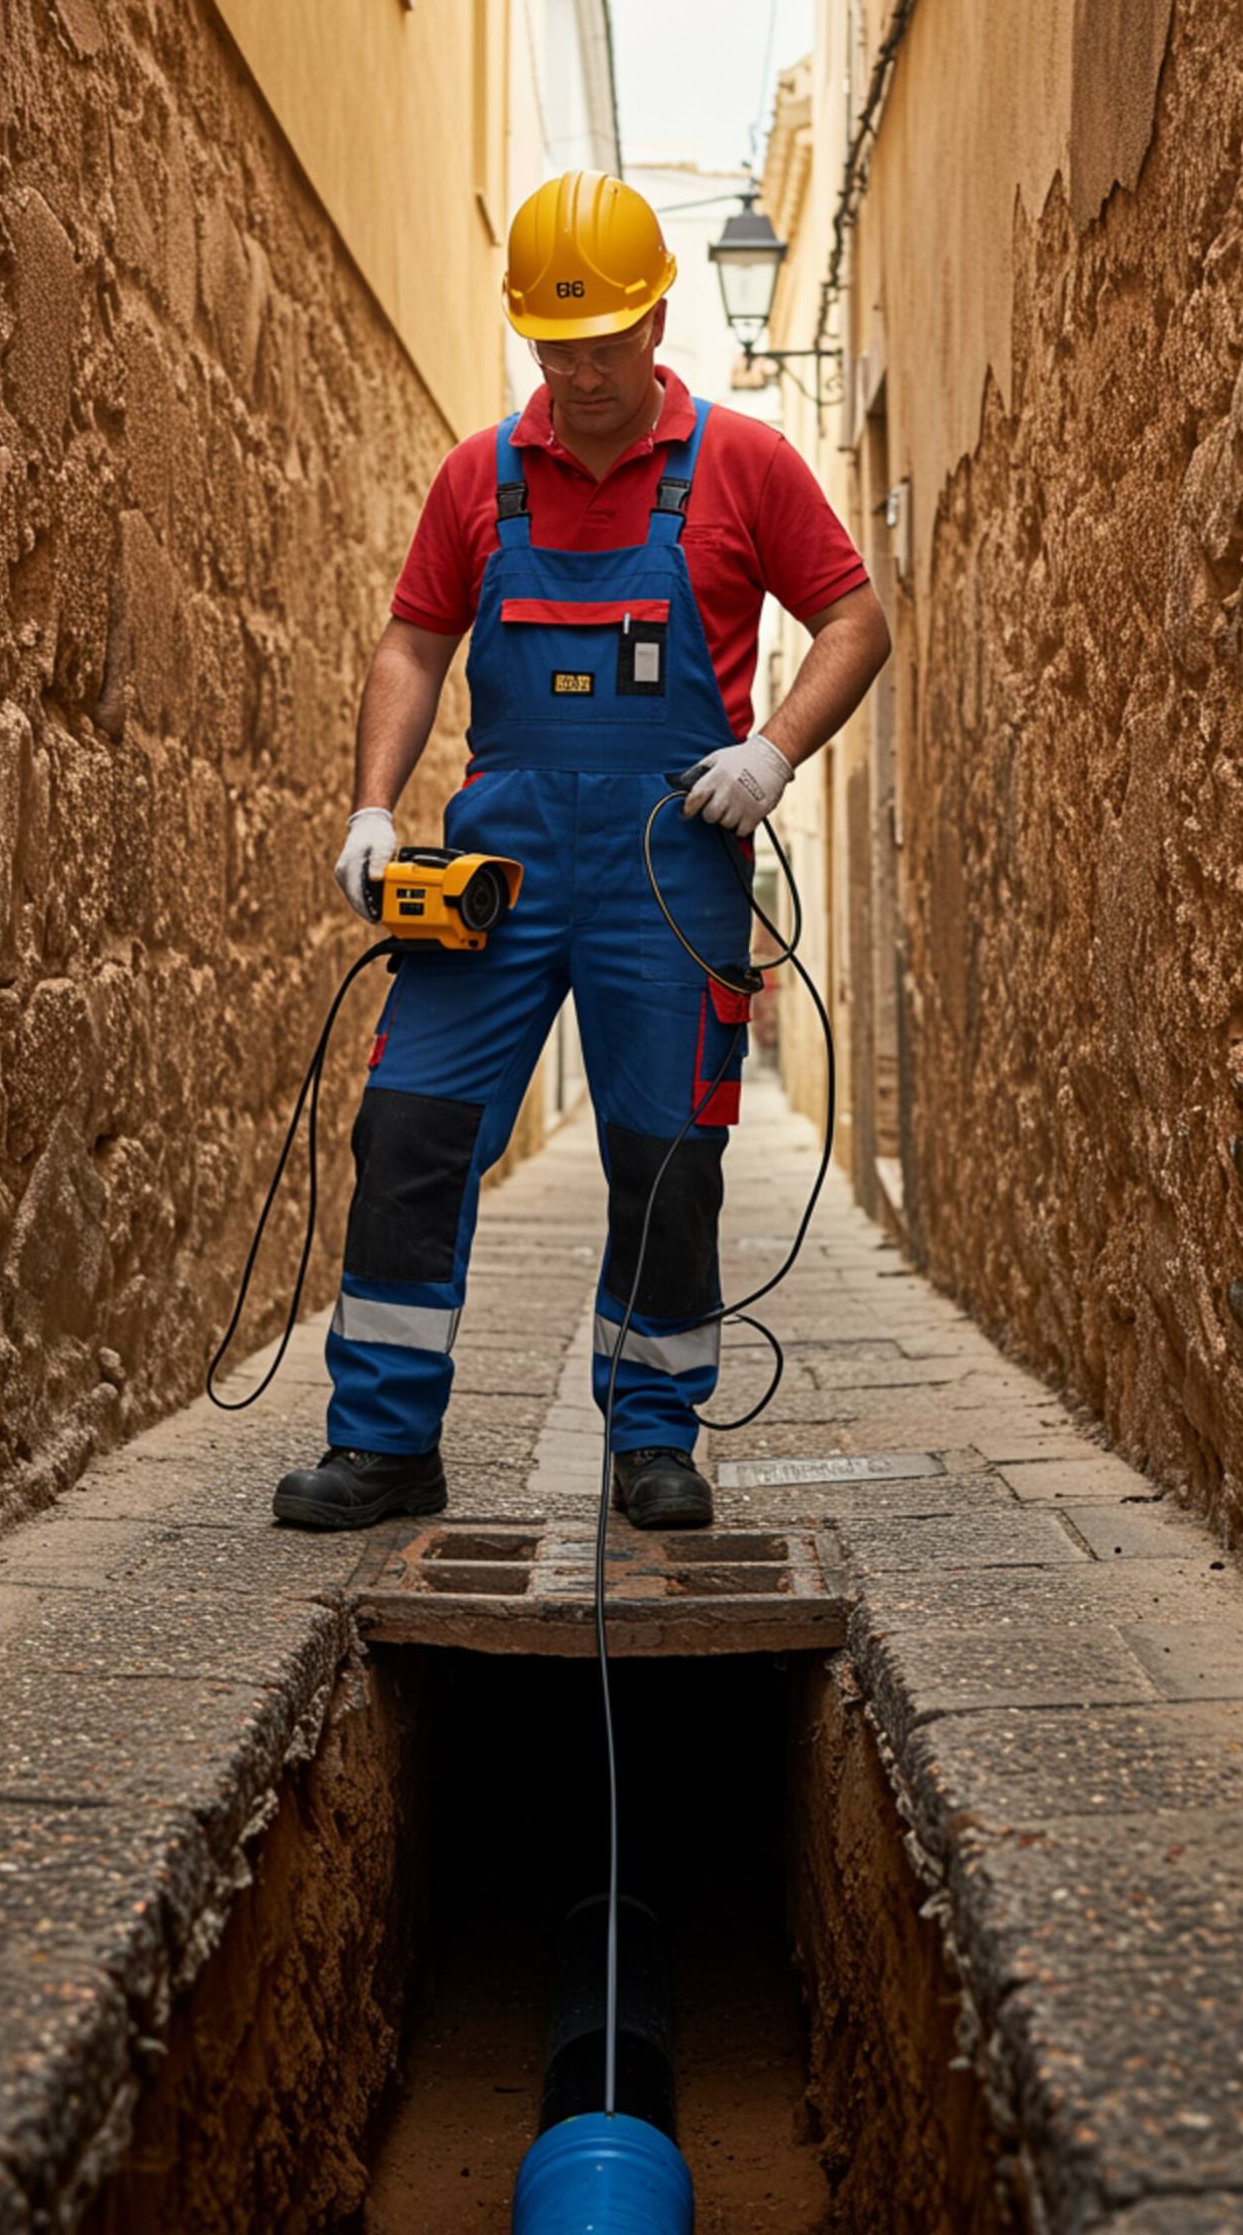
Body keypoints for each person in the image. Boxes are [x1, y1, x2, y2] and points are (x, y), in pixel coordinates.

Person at [273, 171, 890, 1533]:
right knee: (411, 1128)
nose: (581, 373)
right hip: (496, 876)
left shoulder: (745, 466)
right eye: (556, 348)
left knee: (668, 1155)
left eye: (603, 345)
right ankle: (383, 1444)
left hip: (669, 875)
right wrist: (372, 808)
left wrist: (773, 751)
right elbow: (413, 644)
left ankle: (653, 1438)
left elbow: (854, 621)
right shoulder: (478, 476)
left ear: (658, 323)